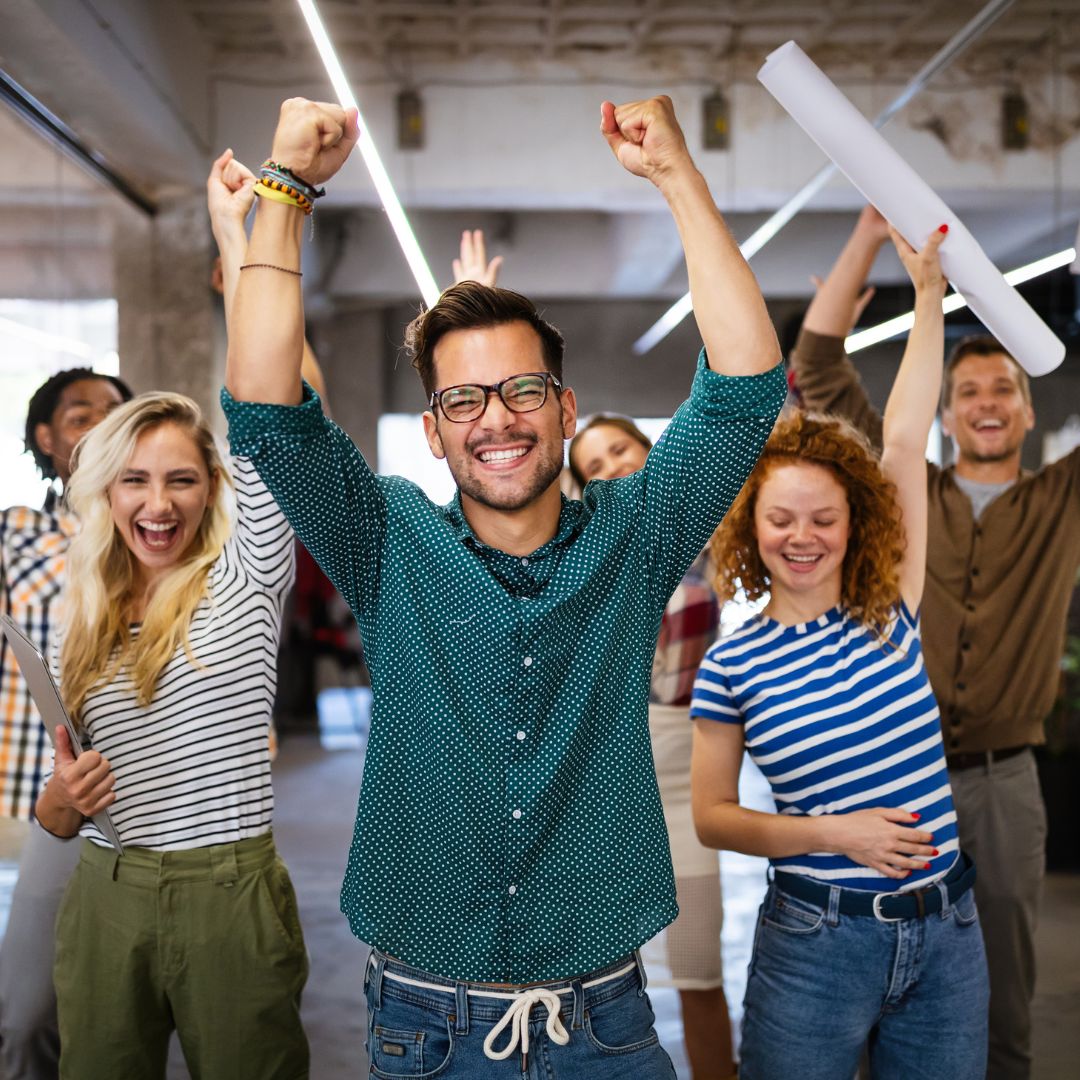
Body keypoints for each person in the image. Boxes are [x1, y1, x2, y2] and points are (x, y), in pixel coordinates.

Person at [221, 94, 785, 1077]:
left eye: (524, 390)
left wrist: (676, 178)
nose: (499, 418)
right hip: (425, 1025)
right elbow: (268, 409)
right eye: (464, 400)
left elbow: (743, 392)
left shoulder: (637, 534)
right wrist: (287, 190)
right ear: (434, 430)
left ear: (565, 409)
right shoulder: (385, 536)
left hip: (606, 1023)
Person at [691, 224, 990, 1079]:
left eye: (825, 518)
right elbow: (714, 816)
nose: (803, 537)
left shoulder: (890, 606)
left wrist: (929, 300)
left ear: (856, 522)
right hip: (816, 943)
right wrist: (836, 834)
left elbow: (901, 439)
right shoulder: (733, 664)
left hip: (947, 934)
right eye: (781, 518)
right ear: (751, 526)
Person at [789, 205, 1080, 1080]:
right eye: (969, 394)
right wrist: (869, 234)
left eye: (1004, 391)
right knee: (884, 998)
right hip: (891, 780)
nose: (987, 404)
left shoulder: (1061, 498)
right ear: (947, 414)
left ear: (1030, 411)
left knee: (1006, 1003)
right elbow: (817, 363)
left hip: (1003, 785)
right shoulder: (904, 485)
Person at [33, 389, 308, 1080]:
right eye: (136, 480)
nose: (159, 505)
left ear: (213, 486)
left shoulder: (247, 579)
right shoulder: (83, 614)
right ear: (108, 491)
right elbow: (56, 816)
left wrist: (251, 280)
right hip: (106, 890)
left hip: (227, 893)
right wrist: (67, 792)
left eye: (180, 479)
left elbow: (278, 409)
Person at [570, 416, 735, 1080]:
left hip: (687, 790)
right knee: (591, 987)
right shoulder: (579, 559)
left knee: (699, 971)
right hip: (604, 796)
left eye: (620, 450)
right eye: (593, 466)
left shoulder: (706, 533)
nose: (612, 467)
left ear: (649, 450)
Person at [0, 367, 130, 1080]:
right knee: (25, 1014)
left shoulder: (160, 528)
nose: (100, 425)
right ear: (46, 437)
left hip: (147, 799)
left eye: (114, 413)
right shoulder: (16, 532)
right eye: (82, 415)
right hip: (38, 796)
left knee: (116, 1017)